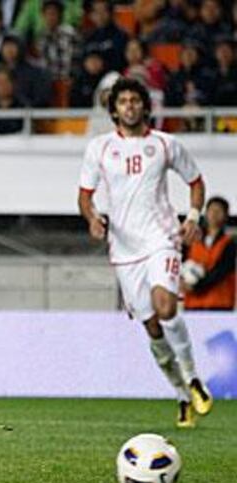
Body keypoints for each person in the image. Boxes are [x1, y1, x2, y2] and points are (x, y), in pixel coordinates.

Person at [77, 77, 213, 428]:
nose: (130, 106)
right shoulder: (100, 148)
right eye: (122, 101)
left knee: (166, 305)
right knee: (152, 327)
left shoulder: (166, 145)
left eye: (135, 100)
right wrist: (92, 219)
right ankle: (182, 395)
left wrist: (193, 217)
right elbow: (85, 196)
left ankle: (194, 377)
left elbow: (196, 183)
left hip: (161, 239)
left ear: (145, 106)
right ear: (114, 109)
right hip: (124, 249)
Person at [183, 197, 236, 311]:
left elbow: (220, 271)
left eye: (218, 211)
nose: (214, 214)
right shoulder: (192, 240)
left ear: (226, 215)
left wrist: (195, 287)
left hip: (219, 305)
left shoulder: (229, 243)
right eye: (211, 210)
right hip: (193, 305)